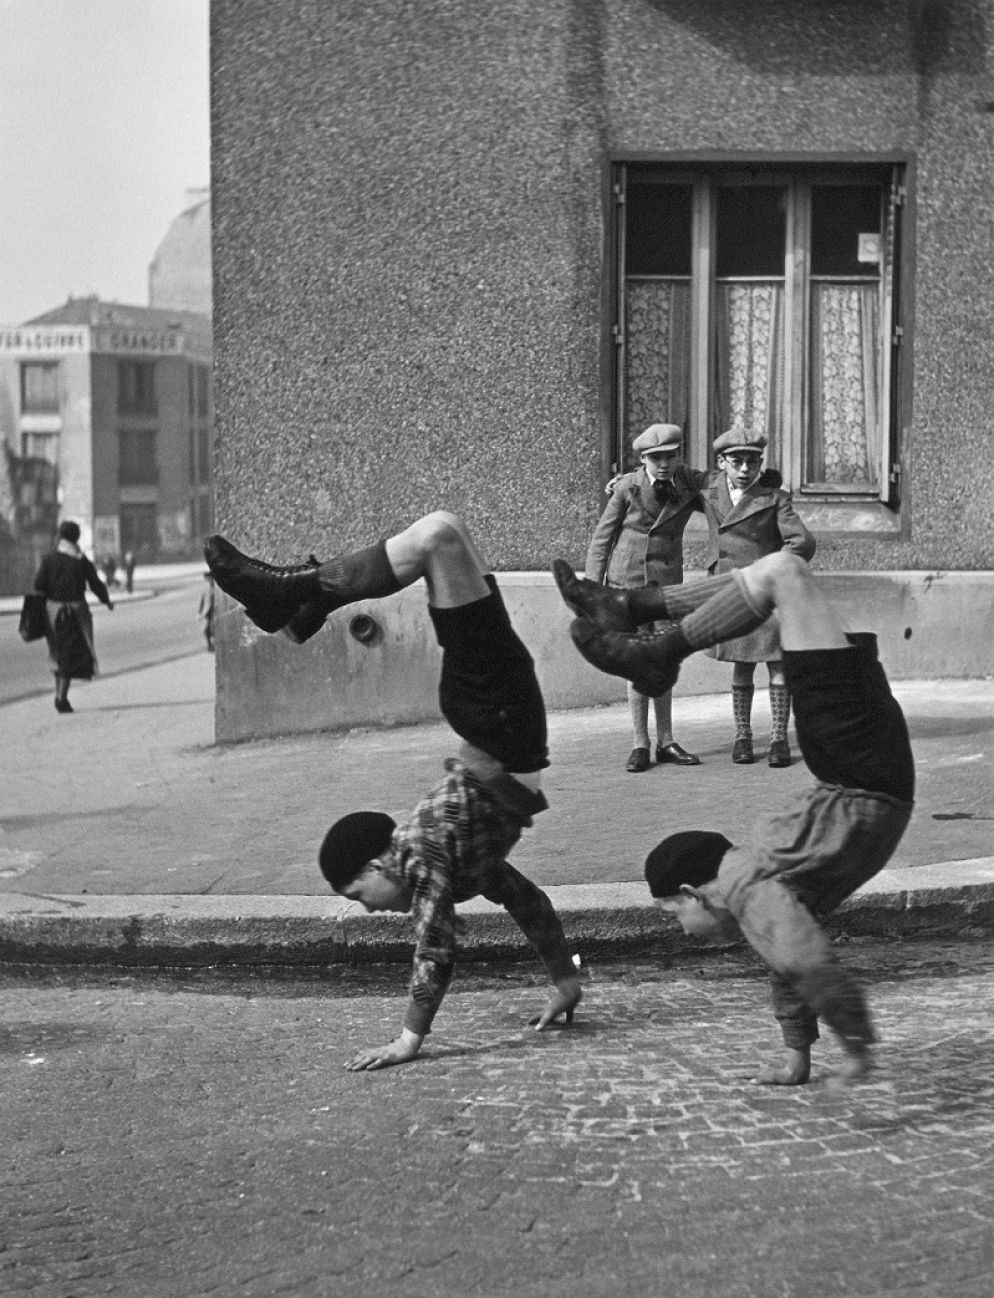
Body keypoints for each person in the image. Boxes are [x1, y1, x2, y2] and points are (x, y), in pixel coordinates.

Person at [204, 512, 581, 1070]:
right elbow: (529, 902)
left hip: (498, 717)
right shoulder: (462, 861)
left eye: (360, 895)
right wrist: (566, 981)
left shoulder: (424, 856)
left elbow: (435, 952)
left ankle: (297, 596)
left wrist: (408, 1040)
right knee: (444, 533)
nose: (371, 910)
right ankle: (301, 605)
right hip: (501, 718)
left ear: (379, 864)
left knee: (438, 538)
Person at [552, 550, 915, 1086]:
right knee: (782, 575)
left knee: (783, 575)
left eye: (673, 914)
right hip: (855, 762)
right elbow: (790, 960)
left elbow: (802, 961)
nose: (681, 931)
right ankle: (635, 617)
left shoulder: (747, 886)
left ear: (693, 893)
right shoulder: (756, 887)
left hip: (861, 763)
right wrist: (801, 1053)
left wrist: (854, 1045)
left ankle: (649, 642)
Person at [584, 423, 705, 773]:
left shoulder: (687, 485)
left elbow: (723, 492)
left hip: (665, 587)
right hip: (628, 583)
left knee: (664, 660)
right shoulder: (628, 487)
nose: (664, 464)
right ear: (643, 459)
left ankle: (666, 741)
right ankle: (640, 743)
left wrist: (766, 484)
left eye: (670, 456)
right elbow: (601, 540)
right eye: (656, 458)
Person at [702, 428, 815, 768]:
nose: (744, 469)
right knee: (742, 664)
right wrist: (621, 482)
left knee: (777, 663)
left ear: (760, 463)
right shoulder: (709, 490)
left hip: (767, 593)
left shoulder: (774, 498)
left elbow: (802, 542)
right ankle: (743, 737)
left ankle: (779, 738)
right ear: (722, 462)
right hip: (731, 590)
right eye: (737, 461)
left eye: (752, 462)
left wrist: (774, 568)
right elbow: (670, 479)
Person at [33, 520, 114, 713]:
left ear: (60, 537)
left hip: (53, 613)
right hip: (76, 614)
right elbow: (95, 584)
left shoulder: (49, 559)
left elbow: (38, 585)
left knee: (58, 654)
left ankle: (60, 696)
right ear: (76, 538)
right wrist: (106, 601)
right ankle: (61, 698)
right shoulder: (81, 560)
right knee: (70, 656)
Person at [197, 571, 216, 652]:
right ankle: (209, 645)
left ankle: (214, 644)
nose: (207, 580)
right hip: (208, 612)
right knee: (206, 629)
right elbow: (202, 600)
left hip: (216, 611)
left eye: (208, 578)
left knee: (213, 628)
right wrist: (199, 612)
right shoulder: (206, 588)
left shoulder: (217, 587)